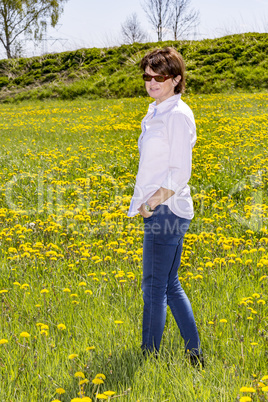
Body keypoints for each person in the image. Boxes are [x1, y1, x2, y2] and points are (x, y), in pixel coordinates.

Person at [128, 47, 203, 366]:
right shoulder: (158, 111)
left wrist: (151, 203)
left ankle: (148, 359)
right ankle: (195, 354)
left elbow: (180, 171)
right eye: (147, 76)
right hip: (162, 207)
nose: (151, 81)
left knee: (154, 288)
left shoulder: (176, 115)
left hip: (166, 209)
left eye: (159, 76)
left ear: (176, 79)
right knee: (168, 285)